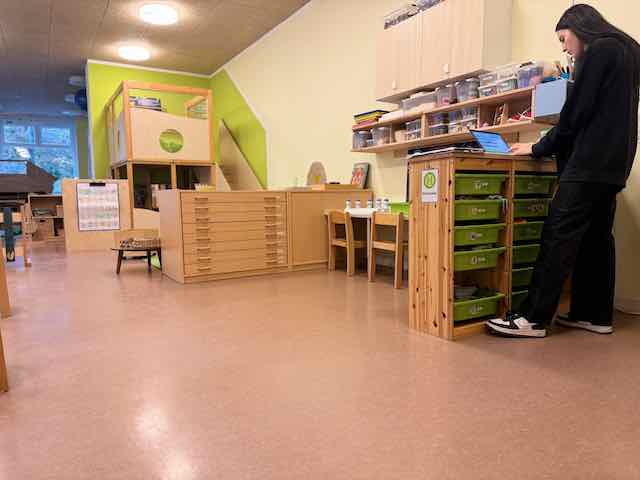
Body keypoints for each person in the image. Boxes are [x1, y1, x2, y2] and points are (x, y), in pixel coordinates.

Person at [487, 4, 640, 338]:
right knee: (596, 240)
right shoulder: (626, 52)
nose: (564, 47)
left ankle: (533, 318)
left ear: (580, 27)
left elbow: (574, 113)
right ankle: (594, 314)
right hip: (614, 165)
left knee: (558, 235)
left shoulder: (599, 50)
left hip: (589, 163)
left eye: (563, 38)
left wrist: (538, 147)